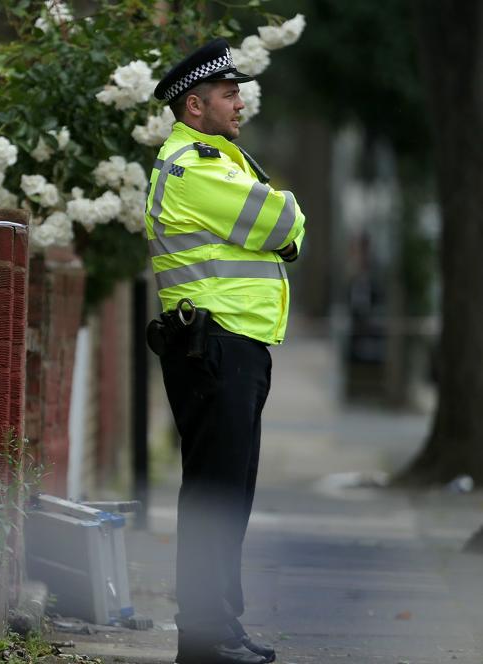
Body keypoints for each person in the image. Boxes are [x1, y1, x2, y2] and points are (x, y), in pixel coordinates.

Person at [144, 38, 306, 664]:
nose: (241, 104)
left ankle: (221, 628)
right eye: (229, 95)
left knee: (228, 493)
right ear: (194, 107)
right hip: (214, 348)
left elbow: (280, 226)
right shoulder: (196, 167)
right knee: (215, 495)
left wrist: (282, 226)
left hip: (233, 347)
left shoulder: (220, 159)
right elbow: (284, 223)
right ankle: (206, 637)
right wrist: (286, 225)